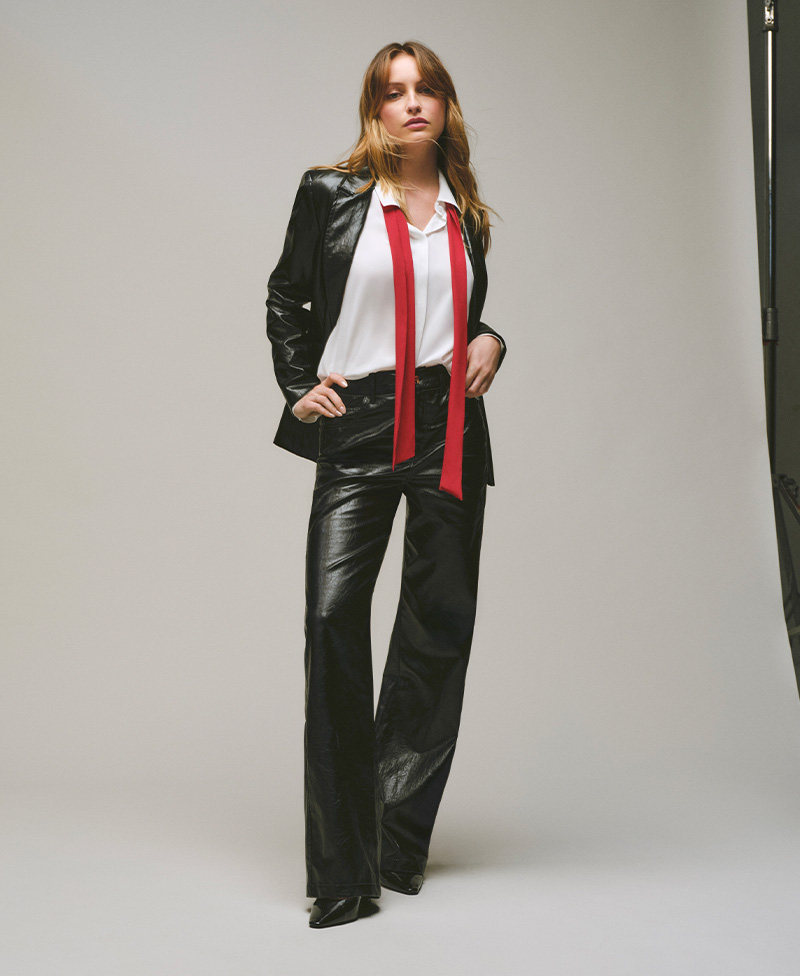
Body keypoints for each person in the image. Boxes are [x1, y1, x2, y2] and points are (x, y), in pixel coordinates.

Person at [266, 40, 507, 928]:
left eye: (426, 90)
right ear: (374, 109)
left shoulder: (464, 212)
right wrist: (299, 384)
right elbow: (287, 296)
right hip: (361, 422)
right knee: (333, 621)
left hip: (448, 425)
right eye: (394, 92)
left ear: (445, 106)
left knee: (437, 630)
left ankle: (395, 841)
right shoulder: (331, 194)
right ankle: (342, 869)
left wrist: (493, 339)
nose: (412, 104)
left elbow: (458, 316)